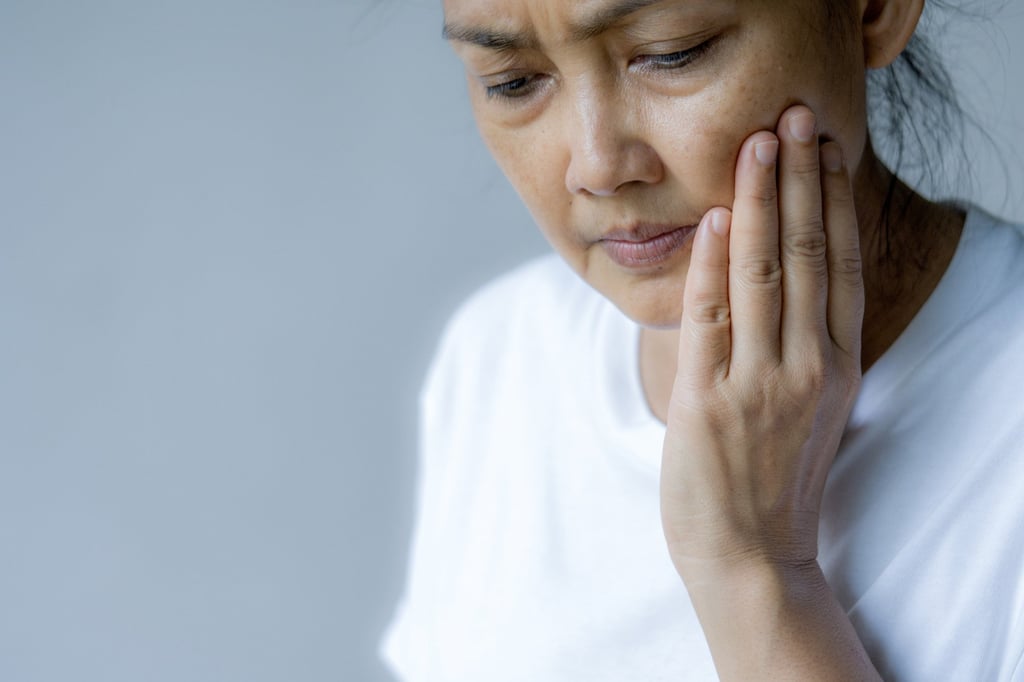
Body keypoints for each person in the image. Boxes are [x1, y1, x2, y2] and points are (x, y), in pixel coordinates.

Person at [381, 0, 1024, 679]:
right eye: (513, 81)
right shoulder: (498, 357)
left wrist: (752, 570)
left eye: (672, 52)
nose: (597, 167)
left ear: (873, 11)